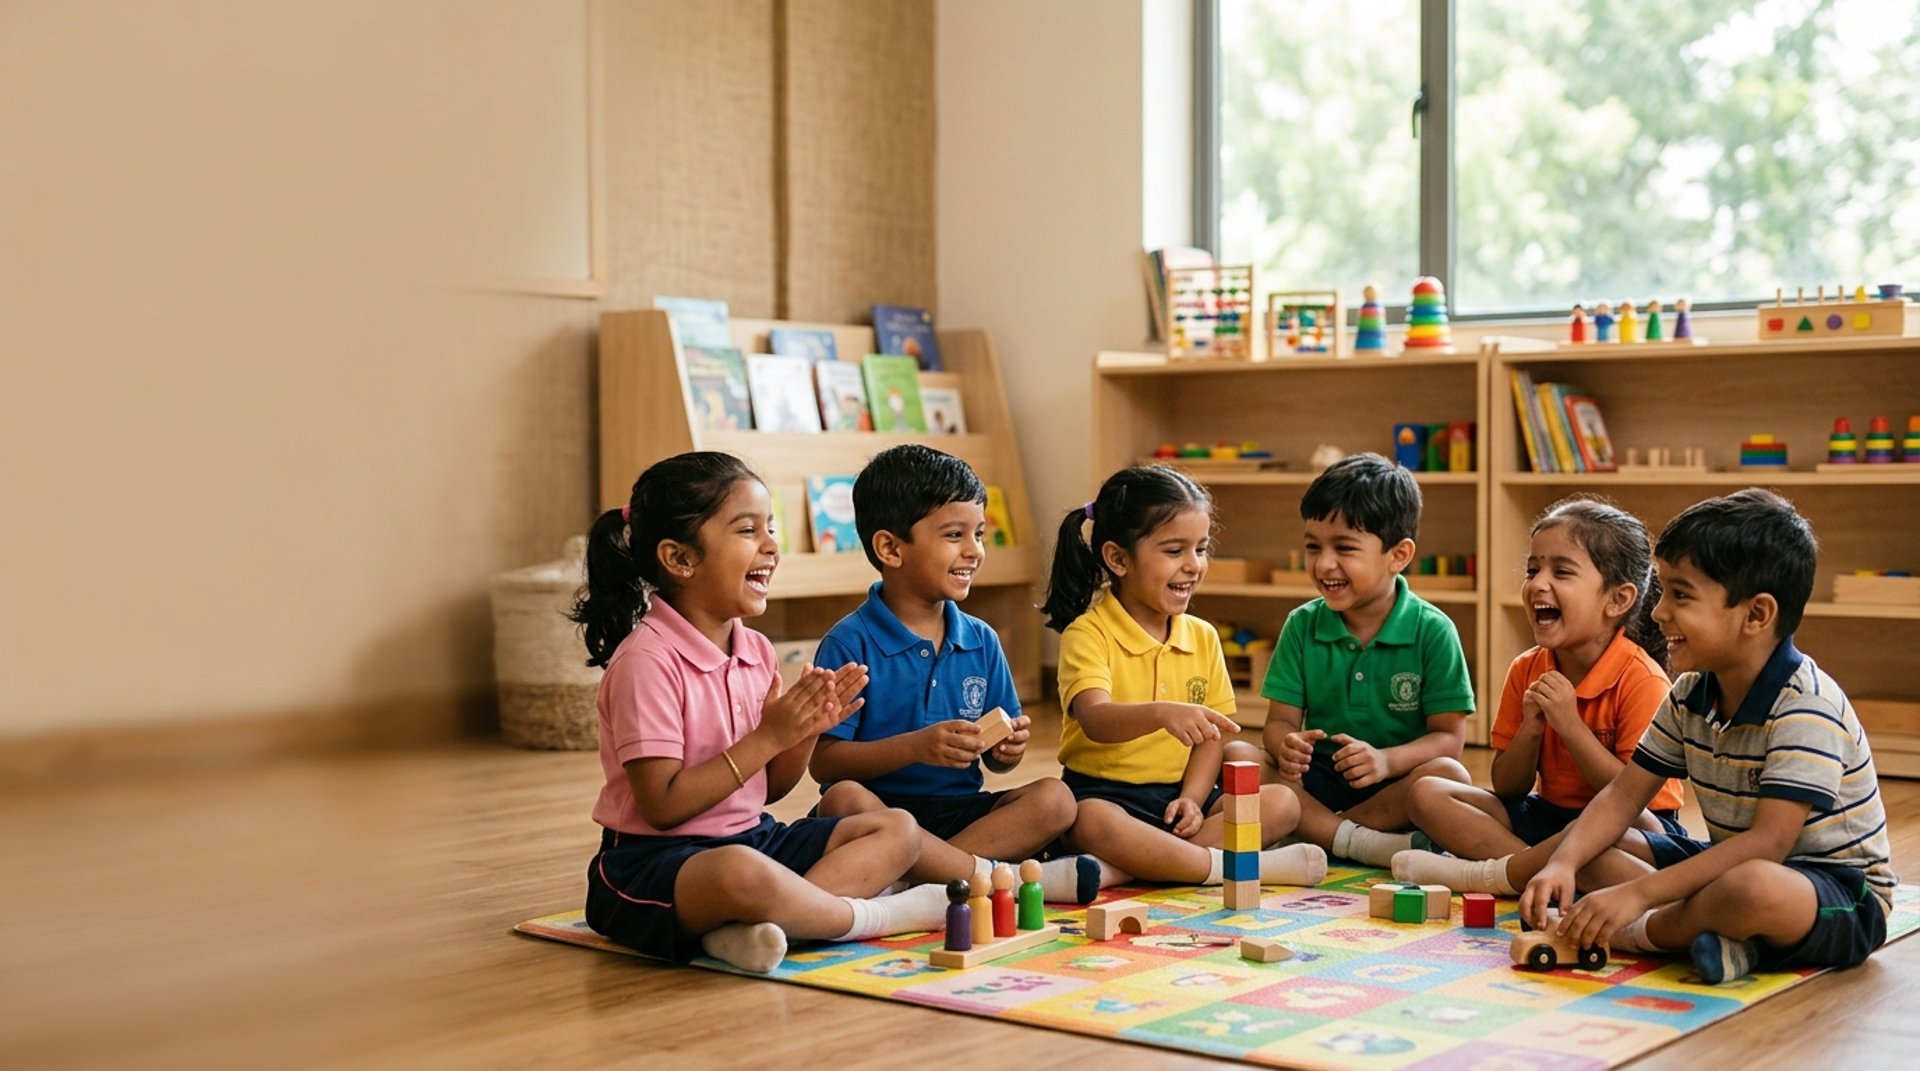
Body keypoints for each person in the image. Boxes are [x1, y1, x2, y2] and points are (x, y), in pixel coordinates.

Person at [572, 451, 946, 973]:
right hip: (649, 862)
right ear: (681, 559)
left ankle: (754, 929)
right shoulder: (645, 662)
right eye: (748, 530)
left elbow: (766, 789)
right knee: (741, 873)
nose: (771, 546)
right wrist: (769, 737)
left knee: (896, 829)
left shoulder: (757, 651)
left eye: (770, 528)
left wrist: (808, 729)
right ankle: (874, 915)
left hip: (752, 836)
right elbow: (661, 805)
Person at [1515, 489, 1895, 984]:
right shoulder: (1691, 691)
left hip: (1839, 895)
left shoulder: (1807, 705)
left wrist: (1637, 898)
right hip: (1731, 865)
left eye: (1681, 595)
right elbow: (1623, 795)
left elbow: (1767, 846)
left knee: (1751, 889)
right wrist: (1563, 864)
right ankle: (1722, 939)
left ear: (1756, 615)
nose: (1657, 613)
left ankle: (1644, 932)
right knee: (1596, 850)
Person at [809, 445, 1098, 903]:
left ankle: (916, 876)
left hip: (958, 813)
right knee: (842, 797)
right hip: (876, 814)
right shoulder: (849, 644)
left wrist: (1007, 749)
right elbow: (823, 762)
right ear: (890, 547)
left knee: (1055, 800)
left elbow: (997, 762)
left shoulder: (980, 639)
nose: (975, 551)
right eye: (954, 535)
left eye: (979, 533)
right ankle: (977, 878)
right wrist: (916, 747)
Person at [1038, 465, 1326, 889]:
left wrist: (1192, 799)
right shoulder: (1088, 633)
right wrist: (1161, 713)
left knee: (1282, 803)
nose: (1194, 565)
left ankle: (1136, 867)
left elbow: (1213, 736)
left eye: (1202, 549)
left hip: (1180, 799)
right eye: (1175, 551)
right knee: (1090, 821)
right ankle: (1211, 868)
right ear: (1118, 559)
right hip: (1107, 797)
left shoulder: (1203, 636)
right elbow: (1096, 720)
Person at [1391, 497, 1687, 882]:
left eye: (1562, 572)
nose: (1538, 584)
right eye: (1533, 570)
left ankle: (1500, 872)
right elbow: (1509, 788)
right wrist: (1531, 730)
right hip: (1549, 818)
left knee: (1624, 845)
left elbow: (1631, 799)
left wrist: (1570, 726)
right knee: (1427, 793)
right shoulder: (1527, 668)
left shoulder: (1642, 681)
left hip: (1630, 827)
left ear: (1617, 600)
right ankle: (1533, 871)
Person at [1221, 453, 1475, 866]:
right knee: (1236, 755)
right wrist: (1285, 746)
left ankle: (1325, 832)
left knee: (1449, 775)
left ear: (1398, 555)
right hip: (1314, 782)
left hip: (1391, 784)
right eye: (1312, 547)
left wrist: (1385, 760)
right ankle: (1357, 842)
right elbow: (1280, 722)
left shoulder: (1433, 629)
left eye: (1344, 548)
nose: (1324, 564)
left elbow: (1449, 738)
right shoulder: (1301, 625)